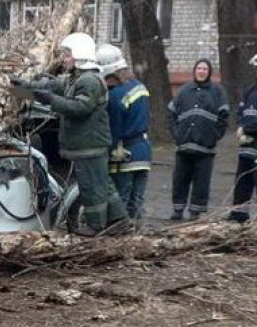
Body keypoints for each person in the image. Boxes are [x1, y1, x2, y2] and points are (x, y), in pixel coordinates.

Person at [12, 32, 130, 236]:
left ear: (81, 56)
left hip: (90, 144)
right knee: (103, 183)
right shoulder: (73, 79)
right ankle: (119, 221)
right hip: (85, 144)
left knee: (91, 186)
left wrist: (49, 99)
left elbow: (80, 108)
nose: (64, 59)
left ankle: (96, 225)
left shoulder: (90, 81)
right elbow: (49, 86)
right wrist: (20, 89)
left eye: (68, 55)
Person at [96, 44, 152, 228]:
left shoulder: (114, 96)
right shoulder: (139, 86)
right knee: (137, 202)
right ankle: (138, 237)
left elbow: (113, 130)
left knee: (121, 201)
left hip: (124, 156)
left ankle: (121, 239)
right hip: (143, 152)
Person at [167, 58, 229, 220]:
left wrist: (214, 136)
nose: (201, 71)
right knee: (180, 179)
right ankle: (178, 209)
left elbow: (224, 117)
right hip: (184, 145)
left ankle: (195, 211)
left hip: (205, 147)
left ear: (209, 72)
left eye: (205, 69)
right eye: (199, 68)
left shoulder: (217, 92)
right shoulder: (184, 90)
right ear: (195, 71)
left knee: (201, 181)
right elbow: (171, 113)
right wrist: (177, 134)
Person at [226, 53, 257, 223]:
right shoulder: (251, 90)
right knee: (242, 181)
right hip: (247, 148)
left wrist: (246, 128)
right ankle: (238, 215)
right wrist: (240, 125)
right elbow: (242, 111)